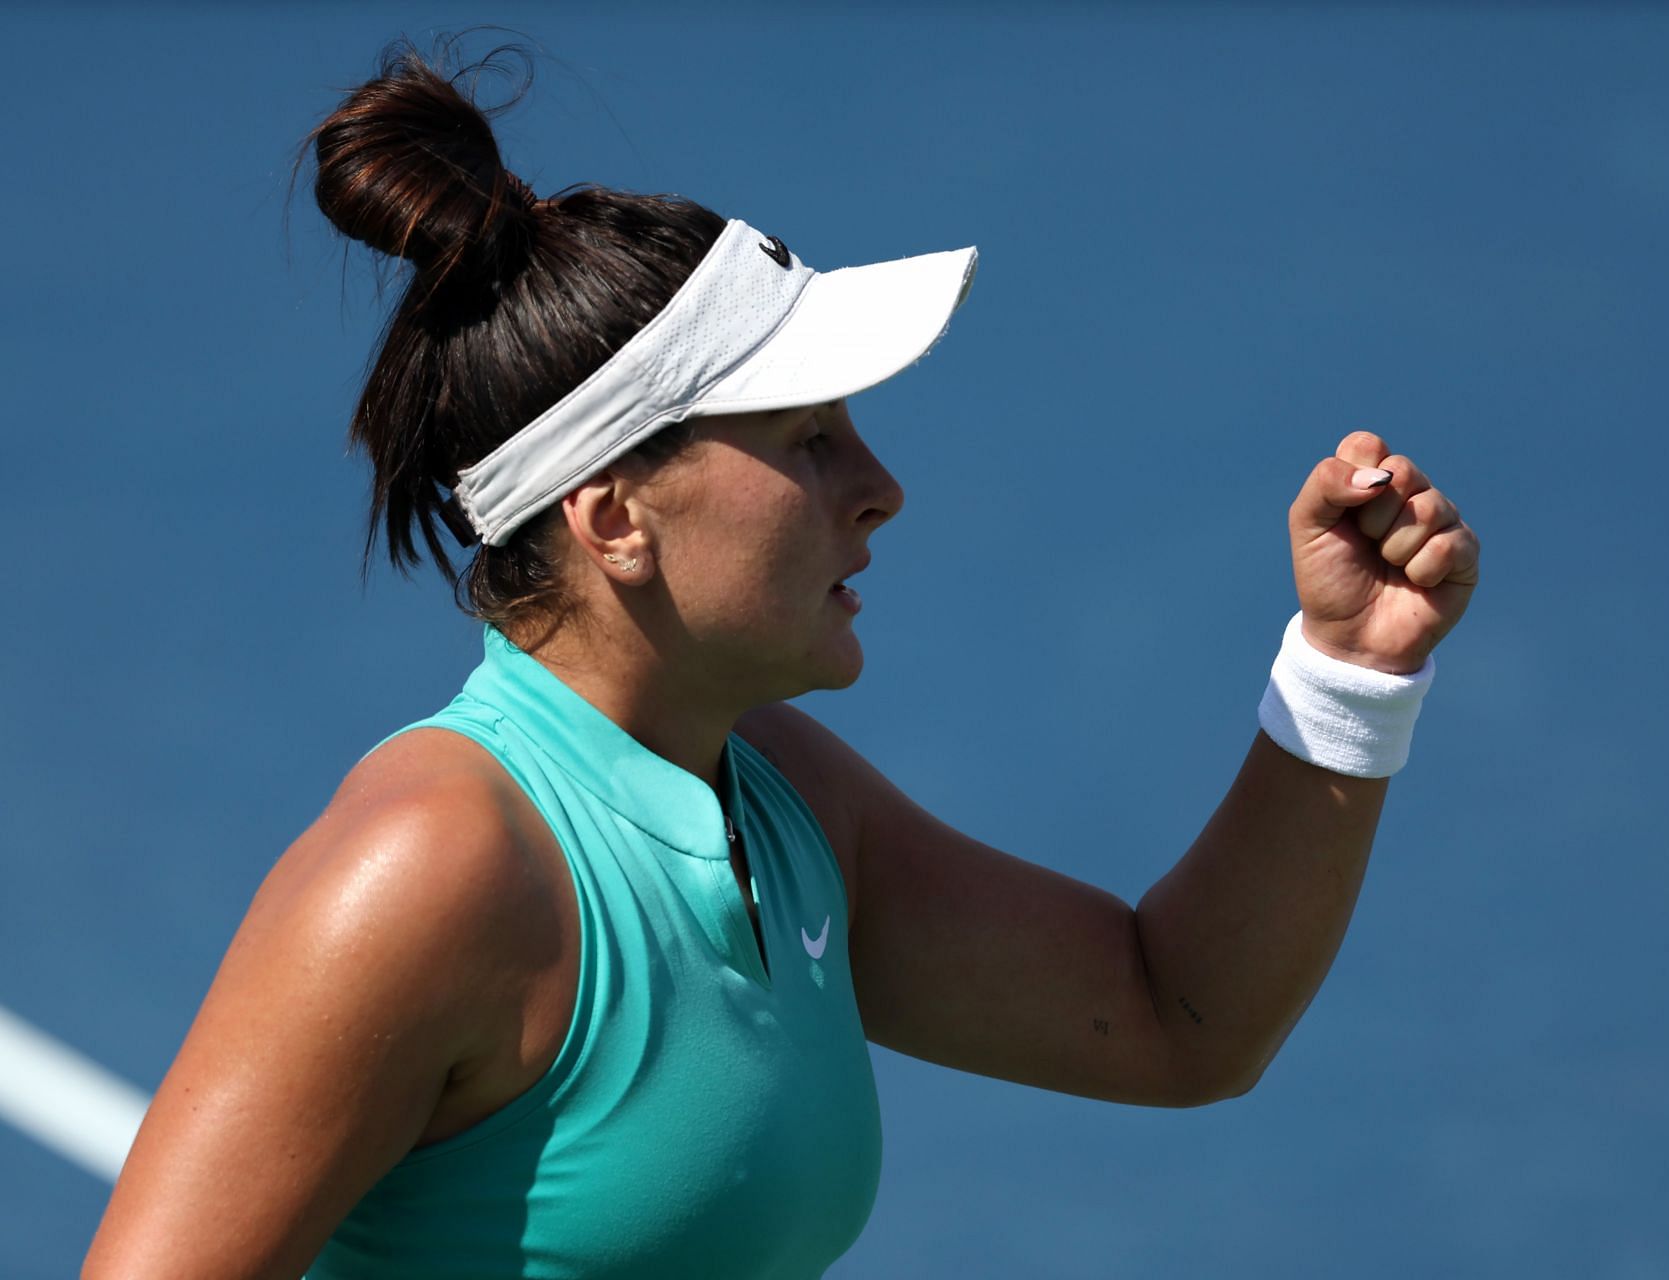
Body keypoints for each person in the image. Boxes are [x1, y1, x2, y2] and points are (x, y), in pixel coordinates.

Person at [83, 36, 1479, 1280]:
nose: (880, 488)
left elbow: (1175, 1019)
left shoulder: (785, 800)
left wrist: (1346, 675)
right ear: (614, 517)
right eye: (808, 439)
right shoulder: (433, 870)